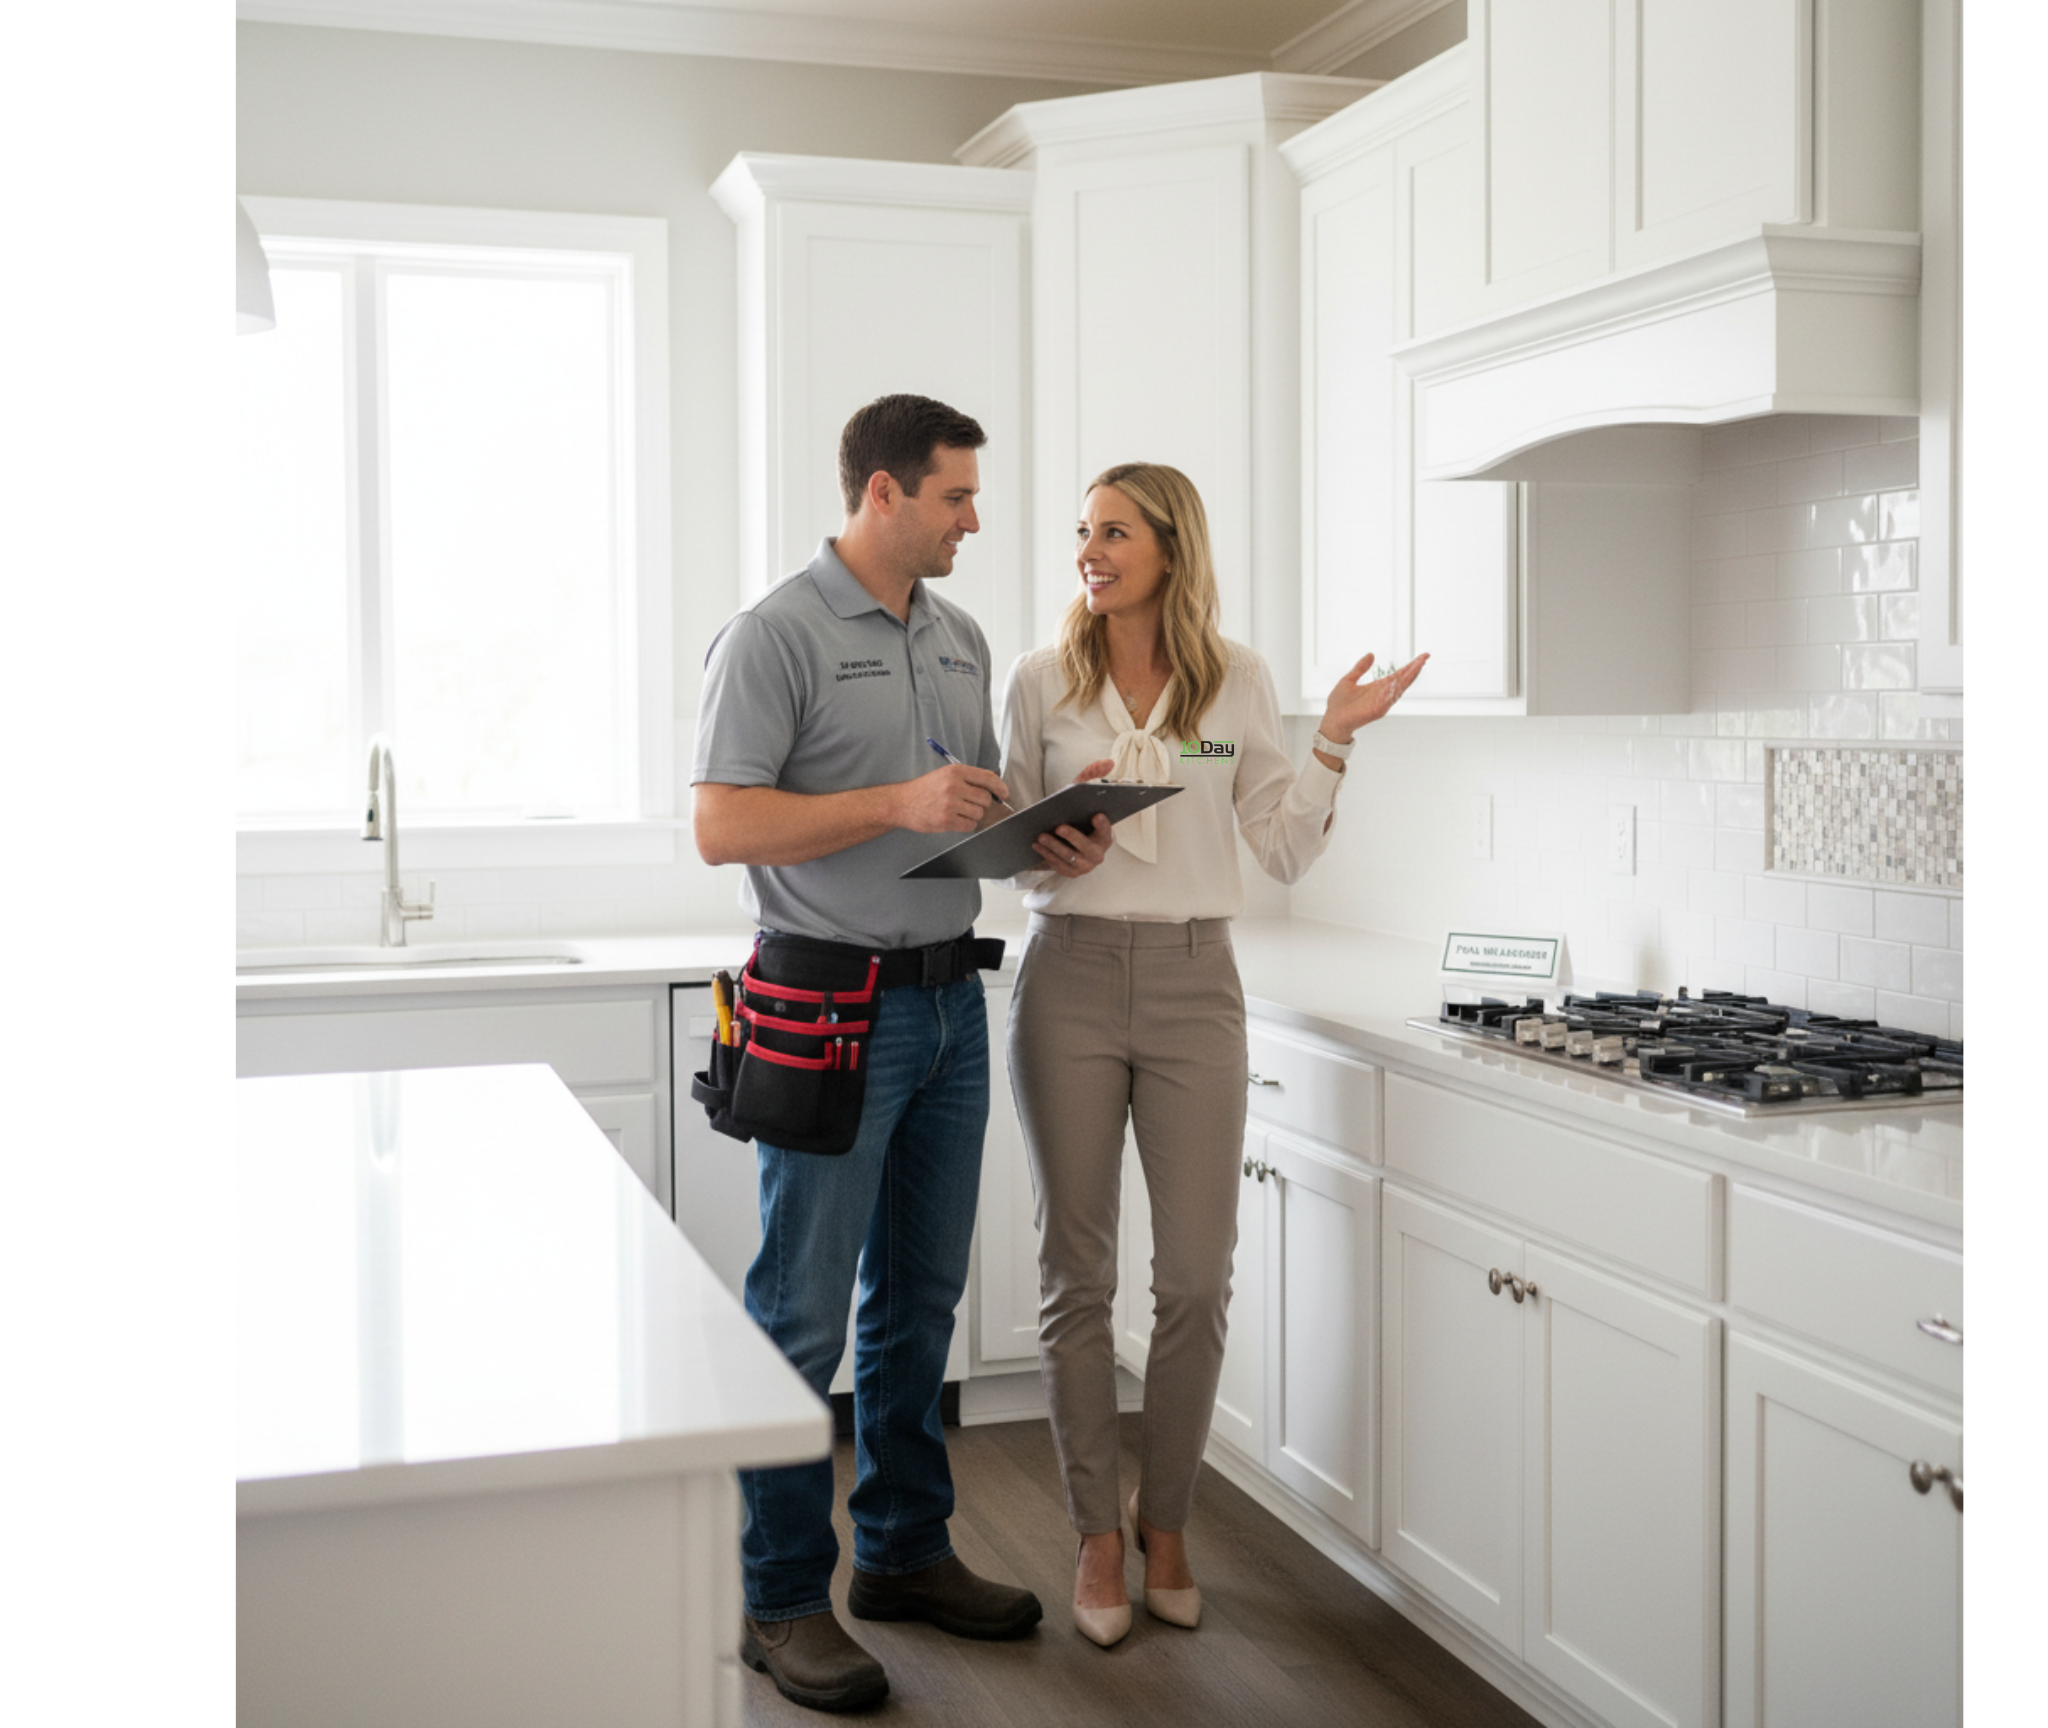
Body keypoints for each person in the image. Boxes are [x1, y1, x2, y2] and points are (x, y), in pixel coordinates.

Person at [998, 461, 1426, 1647]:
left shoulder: (1236, 679)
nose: (1088, 552)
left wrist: (1331, 741)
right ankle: (1095, 1532)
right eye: (1082, 532)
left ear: (1170, 549)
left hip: (1196, 984)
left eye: (1113, 532)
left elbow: (1280, 850)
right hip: (1069, 976)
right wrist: (1054, 846)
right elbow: (1008, 848)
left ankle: (1166, 1520)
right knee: (1075, 1277)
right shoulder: (1039, 680)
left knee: (1193, 1280)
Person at [692, 394, 1044, 1715]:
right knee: (798, 1312)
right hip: (827, 1004)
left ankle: (902, 1551)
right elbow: (722, 827)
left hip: (951, 1004)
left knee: (918, 1303)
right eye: (956, 495)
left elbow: (964, 812)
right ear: (882, 492)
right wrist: (897, 800)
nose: (972, 520)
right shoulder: (774, 634)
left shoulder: (960, 637)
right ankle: (780, 1600)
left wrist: (1042, 834)